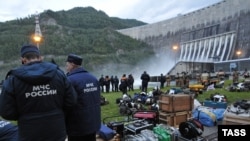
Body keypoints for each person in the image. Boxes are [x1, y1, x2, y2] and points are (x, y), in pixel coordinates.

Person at [0, 44, 77, 141]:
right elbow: (71, 100)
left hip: (29, 131)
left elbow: (6, 111)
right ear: (40, 58)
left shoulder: (13, 80)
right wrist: (57, 112)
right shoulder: (58, 74)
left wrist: (24, 116)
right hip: (56, 129)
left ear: (23, 59)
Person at [65, 53, 101, 141]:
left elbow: (67, 103)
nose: (66, 67)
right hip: (93, 124)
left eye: (67, 64)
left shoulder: (70, 80)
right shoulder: (93, 78)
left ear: (72, 64)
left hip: (77, 126)